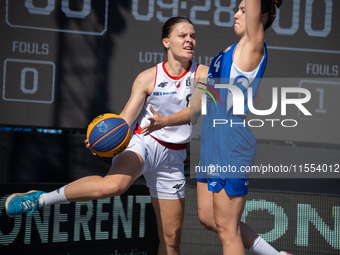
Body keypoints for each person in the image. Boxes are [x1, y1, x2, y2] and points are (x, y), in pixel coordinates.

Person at [5, 16, 207, 255]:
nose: (189, 40)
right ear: (166, 41)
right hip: (145, 141)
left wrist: (164, 121)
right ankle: (40, 199)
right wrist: (105, 139)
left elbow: (195, 110)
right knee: (113, 186)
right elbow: (124, 119)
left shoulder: (202, 73)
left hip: (174, 157)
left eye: (192, 36)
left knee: (171, 241)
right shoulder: (147, 77)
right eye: (182, 36)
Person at [142, 1, 293, 254]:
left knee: (227, 229)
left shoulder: (252, 44)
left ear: (260, 17)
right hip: (212, 137)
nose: (236, 13)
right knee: (209, 218)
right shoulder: (232, 51)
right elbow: (244, 98)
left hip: (230, 139)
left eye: (244, 10)